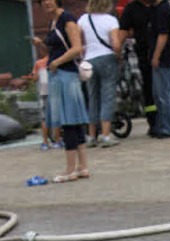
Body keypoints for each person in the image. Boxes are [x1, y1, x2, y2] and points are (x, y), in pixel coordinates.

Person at [40, 0, 90, 183]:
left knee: (69, 121)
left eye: (49, 0)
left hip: (66, 75)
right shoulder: (52, 22)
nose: (46, 3)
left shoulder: (67, 18)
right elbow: (54, 48)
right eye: (43, 1)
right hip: (58, 75)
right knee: (74, 121)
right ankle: (82, 167)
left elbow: (77, 48)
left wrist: (57, 62)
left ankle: (70, 169)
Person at [78, 0, 122, 148]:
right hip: (107, 58)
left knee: (93, 97)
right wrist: (118, 56)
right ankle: (106, 134)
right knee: (107, 96)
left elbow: (78, 44)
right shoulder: (111, 20)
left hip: (89, 60)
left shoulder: (83, 19)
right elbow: (116, 44)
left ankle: (91, 136)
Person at [118, 0, 157, 135]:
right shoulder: (131, 9)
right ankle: (154, 123)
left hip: (161, 55)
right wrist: (117, 52)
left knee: (162, 90)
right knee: (148, 90)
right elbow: (122, 32)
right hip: (143, 55)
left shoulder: (158, 5)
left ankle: (166, 121)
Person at [148, 0, 170, 138]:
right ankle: (165, 125)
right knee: (161, 93)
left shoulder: (162, 10)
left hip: (163, 58)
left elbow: (163, 35)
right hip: (165, 56)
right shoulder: (162, 8)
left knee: (163, 94)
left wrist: (156, 56)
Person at [30, 52, 63, 151]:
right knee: (56, 116)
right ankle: (57, 140)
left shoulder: (39, 63)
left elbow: (35, 78)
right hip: (54, 90)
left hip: (43, 91)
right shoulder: (57, 61)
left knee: (44, 117)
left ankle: (45, 142)